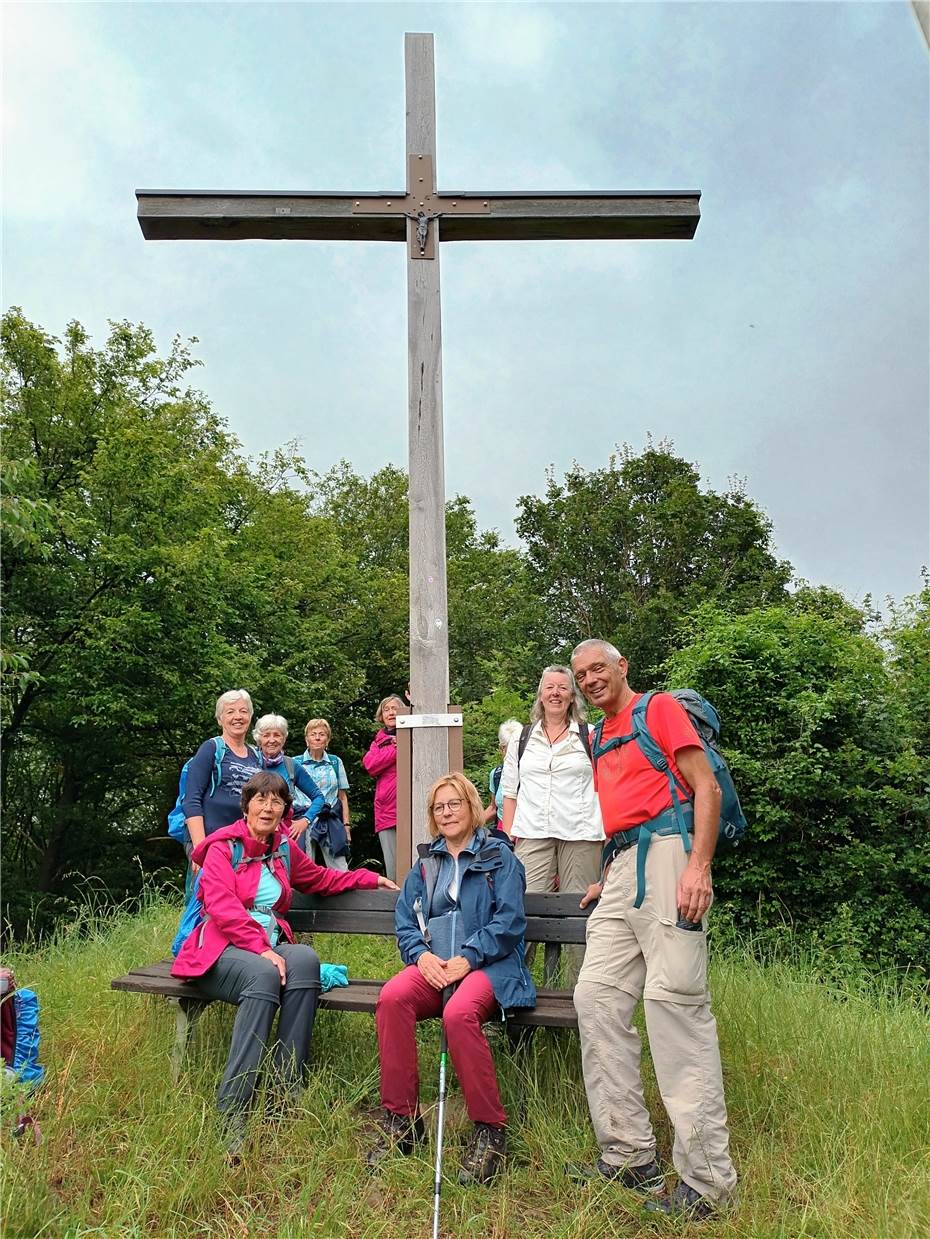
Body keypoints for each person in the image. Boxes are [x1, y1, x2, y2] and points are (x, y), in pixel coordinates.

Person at [569, 638, 737, 1221]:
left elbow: (705, 787)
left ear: (621, 668)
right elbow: (622, 814)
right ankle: (627, 1154)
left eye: (598, 668)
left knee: (675, 1006)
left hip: (672, 854)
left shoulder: (658, 708)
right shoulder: (599, 734)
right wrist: (607, 875)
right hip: (623, 865)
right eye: (580, 673)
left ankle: (707, 1184)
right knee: (595, 997)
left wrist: (699, 867)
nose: (590, 679)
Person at [172, 771, 399, 1154]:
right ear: (246, 807)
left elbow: (321, 879)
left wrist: (367, 878)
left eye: (276, 801)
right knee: (264, 974)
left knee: (306, 959)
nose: (268, 807)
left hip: (267, 949)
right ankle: (234, 1112)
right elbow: (222, 908)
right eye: (260, 800)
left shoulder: (281, 849)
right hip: (220, 951)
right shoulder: (222, 848)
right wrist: (262, 948)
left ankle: (284, 1088)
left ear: (284, 811)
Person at [368, 772, 535, 1184]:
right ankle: (402, 1120)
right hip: (436, 965)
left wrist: (469, 957)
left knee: (458, 1014)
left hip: (488, 965)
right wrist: (420, 955)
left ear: (472, 807)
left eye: (454, 803)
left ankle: (489, 1131)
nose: (447, 812)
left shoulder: (500, 858)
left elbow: (510, 922)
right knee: (392, 997)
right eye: (439, 807)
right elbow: (406, 920)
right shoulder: (426, 863)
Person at [500, 667, 604, 984]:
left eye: (562, 687)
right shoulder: (522, 738)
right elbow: (510, 792)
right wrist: (507, 842)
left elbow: (607, 786)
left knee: (580, 915)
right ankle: (513, 997)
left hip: (582, 835)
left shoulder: (592, 735)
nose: (555, 692)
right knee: (522, 912)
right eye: (549, 687)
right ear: (540, 694)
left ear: (573, 695)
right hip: (531, 836)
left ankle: (581, 1002)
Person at [182, 690, 263, 870]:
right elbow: (191, 800)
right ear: (220, 719)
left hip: (242, 843)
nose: (238, 717)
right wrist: (199, 848)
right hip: (210, 841)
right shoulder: (211, 748)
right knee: (209, 896)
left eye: (243, 711)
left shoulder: (256, 756)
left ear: (250, 716)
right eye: (230, 711)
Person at [252, 713, 326, 850]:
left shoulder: (291, 766)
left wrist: (305, 820)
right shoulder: (249, 762)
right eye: (266, 735)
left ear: (284, 739)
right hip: (252, 834)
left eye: (277, 735)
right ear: (258, 739)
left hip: (285, 836)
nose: (272, 740)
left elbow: (319, 797)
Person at [295, 718, 353, 871]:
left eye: (322, 734)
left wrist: (346, 826)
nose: (317, 737)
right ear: (307, 739)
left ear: (327, 739)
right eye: (313, 734)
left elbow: (342, 797)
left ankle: (345, 895)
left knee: (341, 870)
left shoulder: (335, 762)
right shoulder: (295, 763)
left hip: (329, 821)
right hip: (302, 820)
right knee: (304, 869)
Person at [362, 695, 404, 881]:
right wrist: (396, 749)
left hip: (413, 805)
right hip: (387, 808)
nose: (391, 712)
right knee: (394, 867)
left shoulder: (415, 734)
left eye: (395, 708)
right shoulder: (378, 741)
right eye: (386, 709)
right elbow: (370, 765)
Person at [483, 719, 523, 828]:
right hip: (503, 831)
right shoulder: (496, 774)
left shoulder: (531, 773)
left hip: (528, 833)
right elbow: (493, 808)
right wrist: (470, 825)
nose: (513, 753)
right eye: (509, 749)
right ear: (501, 749)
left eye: (517, 748)